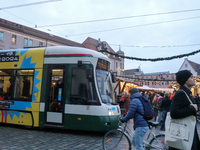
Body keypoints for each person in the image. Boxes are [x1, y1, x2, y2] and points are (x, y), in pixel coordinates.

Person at [169, 70, 200, 150]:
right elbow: (174, 113)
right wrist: (192, 108)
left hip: (187, 133)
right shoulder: (181, 94)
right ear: (185, 80)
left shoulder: (186, 93)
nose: (194, 79)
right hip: (183, 135)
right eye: (191, 77)